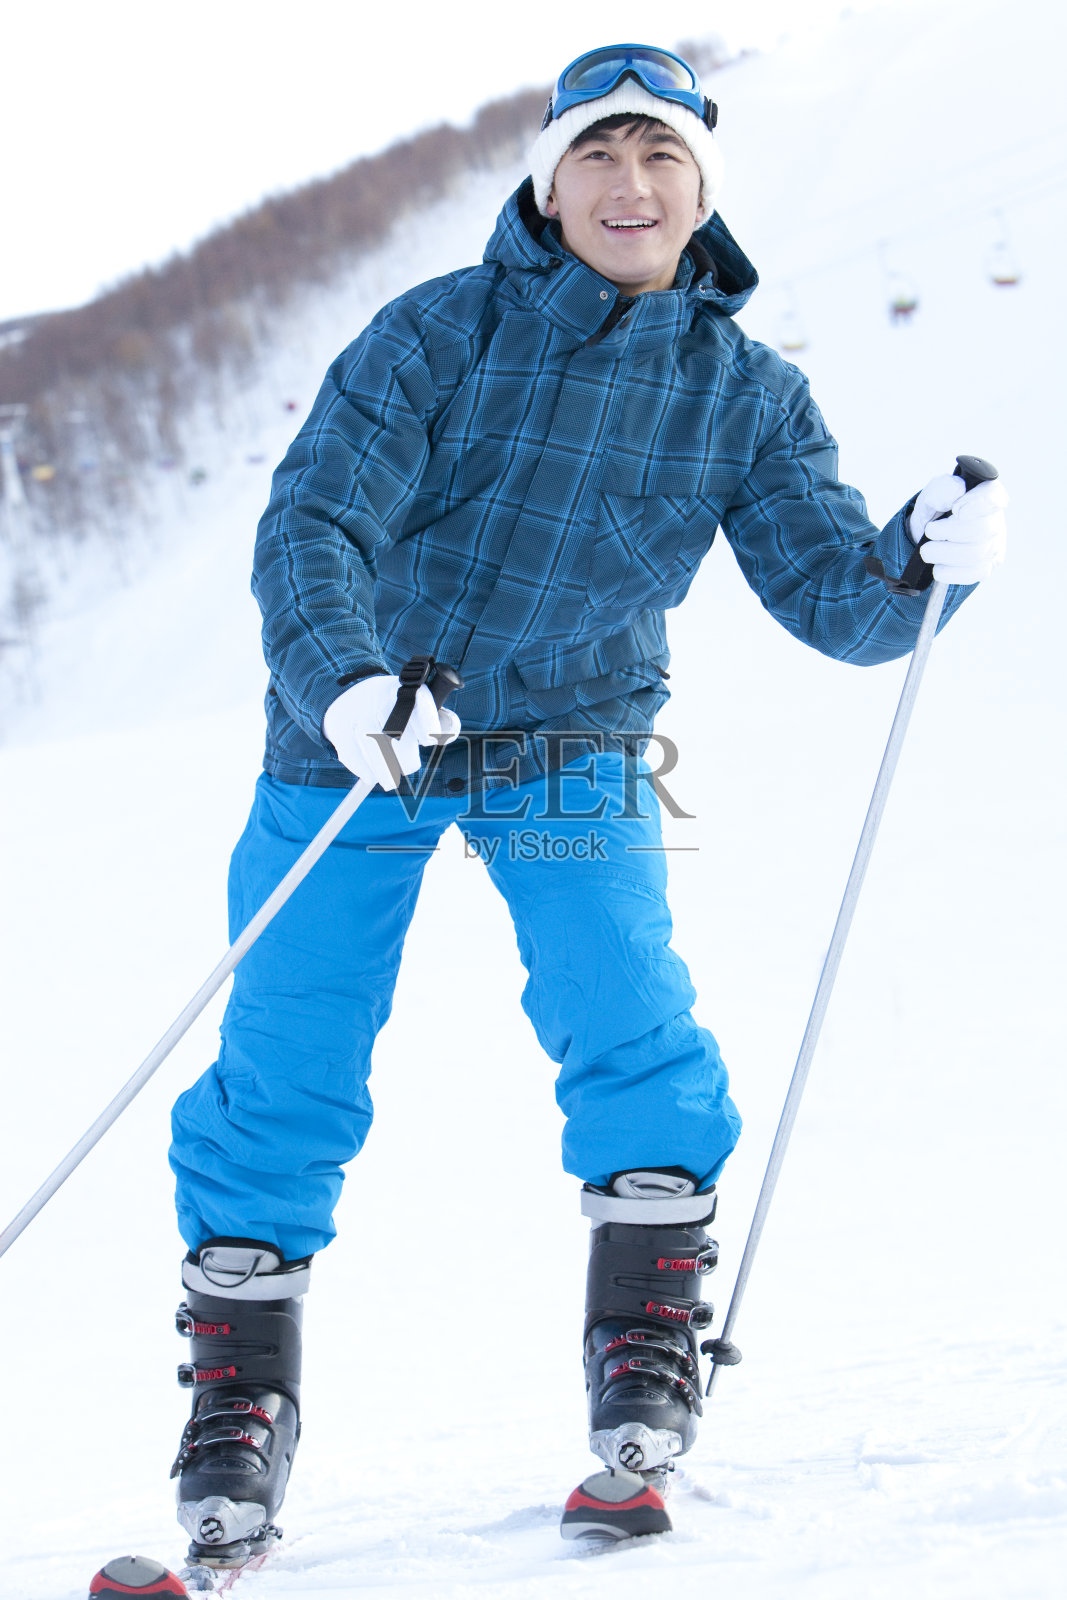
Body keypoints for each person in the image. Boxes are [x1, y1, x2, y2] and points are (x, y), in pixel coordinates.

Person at [166, 44, 1009, 1557]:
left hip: (570, 737)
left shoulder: (745, 395)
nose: (631, 186)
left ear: (701, 194)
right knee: (289, 1048)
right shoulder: (437, 333)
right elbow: (314, 519)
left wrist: (919, 564)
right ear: (549, 184)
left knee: (626, 1006)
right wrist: (347, 683)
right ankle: (239, 1402)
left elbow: (835, 599)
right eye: (600, 158)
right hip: (367, 734)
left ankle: (644, 1341)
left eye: (662, 161)